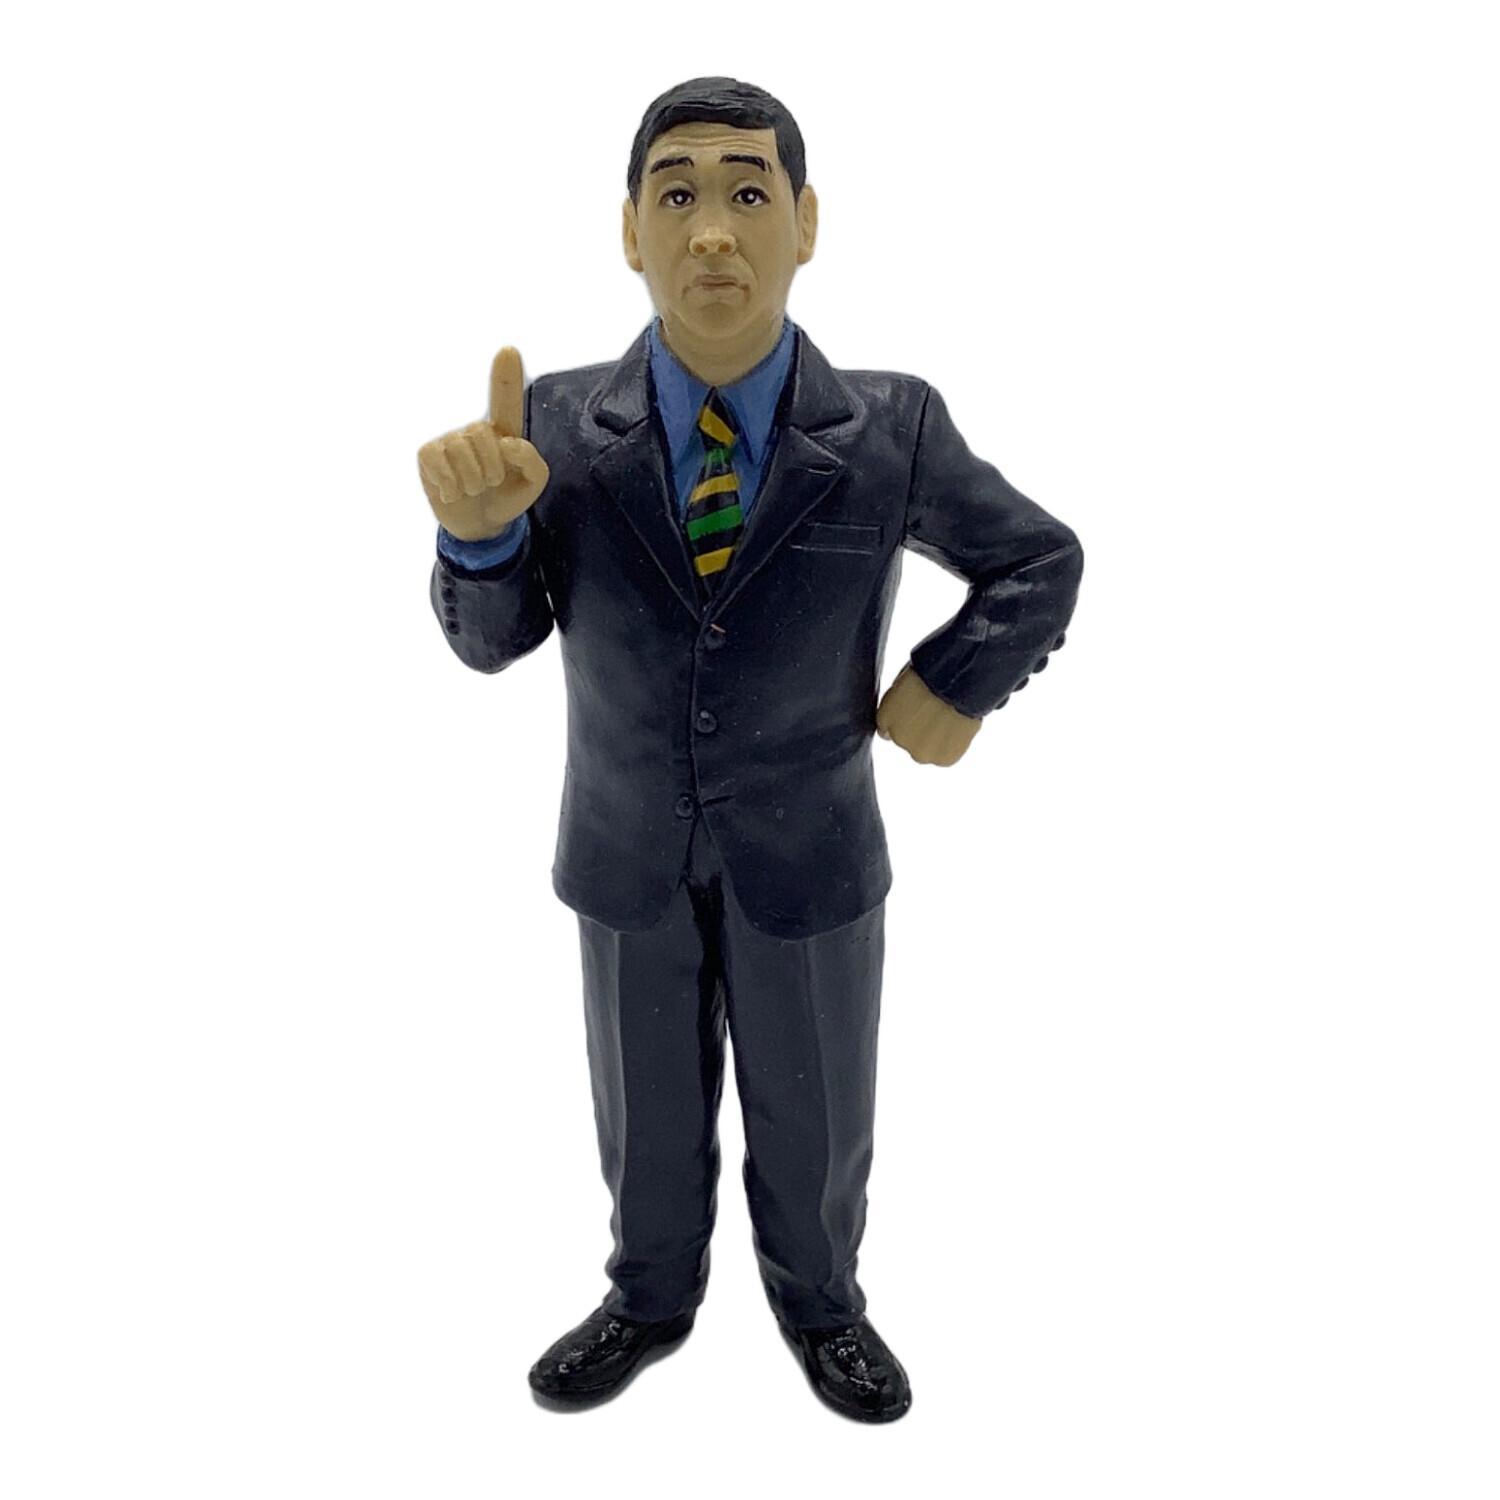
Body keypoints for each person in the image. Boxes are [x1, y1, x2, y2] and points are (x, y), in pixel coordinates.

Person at [417, 76, 1083, 1423]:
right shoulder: (555, 424)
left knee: (817, 1100)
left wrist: (948, 686)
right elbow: (497, 643)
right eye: (676, 195)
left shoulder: (890, 426)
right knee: (645, 1103)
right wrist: (480, 542)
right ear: (630, 232)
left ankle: (823, 1305)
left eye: (746, 191)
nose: (711, 228)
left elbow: (1038, 558)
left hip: (811, 848)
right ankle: (647, 1296)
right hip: (626, 845)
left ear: (806, 223)